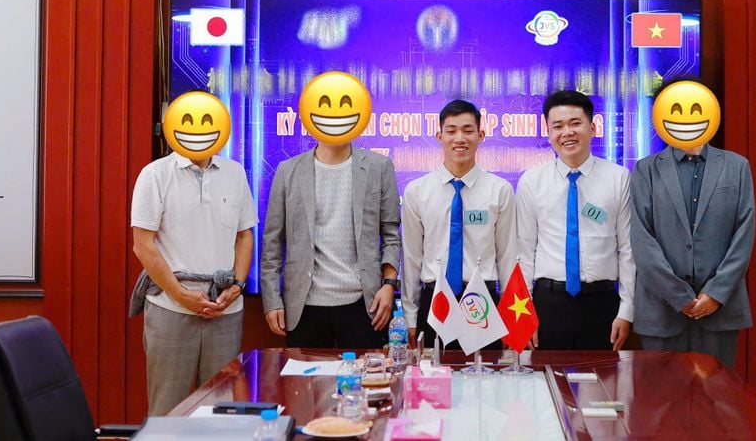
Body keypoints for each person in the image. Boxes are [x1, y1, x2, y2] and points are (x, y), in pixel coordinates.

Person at [130, 92, 256, 416]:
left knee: (222, 409)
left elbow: (245, 235)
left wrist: (237, 285)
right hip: (170, 309)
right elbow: (142, 244)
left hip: (225, 310)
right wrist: (179, 294)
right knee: (167, 409)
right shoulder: (155, 175)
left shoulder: (235, 173)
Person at [260, 74, 401, 347]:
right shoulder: (288, 171)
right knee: (304, 376)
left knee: (367, 375)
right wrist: (271, 299)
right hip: (303, 305)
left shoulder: (379, 167)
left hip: (365, 303)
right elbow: (272, 243)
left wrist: (389, 285)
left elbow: (391, 234)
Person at [629, 80, 755, 368]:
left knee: (716, 393)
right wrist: (679, 297)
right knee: (662, 394)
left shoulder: (737, 167)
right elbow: (642, 240)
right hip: (662, 312)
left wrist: (715, 293)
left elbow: (744, 234)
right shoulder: (646, 170)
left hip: (720, 311)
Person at [516, 89, 635, 351]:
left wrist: (626, 310)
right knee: (545, 376)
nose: (567, 133)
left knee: (603, 377)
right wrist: (523, 312)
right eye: (558, 126)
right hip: (548, 303)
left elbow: (627, 250)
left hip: (602, 303)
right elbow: (524, 252)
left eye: (575, 123)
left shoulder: (618, 178)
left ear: (592, 128)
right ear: (548, 133)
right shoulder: (532, 181)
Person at [401, 99, 516, 349]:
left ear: (481, 135)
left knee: (485, 372)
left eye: (468, 130)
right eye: (451, 131)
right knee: (433, 372)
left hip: (483, 301)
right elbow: (411, 258)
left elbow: (507, 257)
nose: (459, 138)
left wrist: (510, 316)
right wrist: (410, 315)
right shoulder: (417, 191)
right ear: (439, 136)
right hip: (435, 301)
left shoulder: (500, 190)